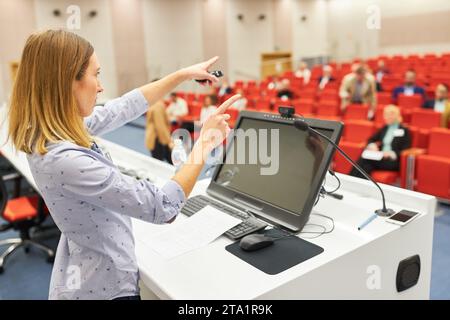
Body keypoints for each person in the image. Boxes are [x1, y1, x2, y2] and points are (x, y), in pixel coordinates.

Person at [7, 29, 241, 300]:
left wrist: (182, 75)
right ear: (67, 82)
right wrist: (205, 144)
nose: (100, 86)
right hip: (105, 286)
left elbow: (123, 107)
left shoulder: (49, 133)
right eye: (96, 74)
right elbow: (164, 206)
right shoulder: (64, 159)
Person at [350, 105, 411, 179]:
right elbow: (371, 139)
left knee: (366, 160)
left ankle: (352, 180)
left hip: (392, 161)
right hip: (380, 157)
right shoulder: (385, 128)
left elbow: (405, 149)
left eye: (389, 115)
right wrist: (372, 145)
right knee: (365, 161)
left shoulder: (404, 130)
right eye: (385, 115)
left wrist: (391, 154)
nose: (386, 117)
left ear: (396, 116)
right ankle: (357, 182)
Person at [145, 82, 173, 164]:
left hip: (157, 138)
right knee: (159, 165)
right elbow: (160, 126)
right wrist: (169, 141)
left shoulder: (153, 102)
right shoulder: (157, 105)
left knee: (167, 163)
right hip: (158, 139)